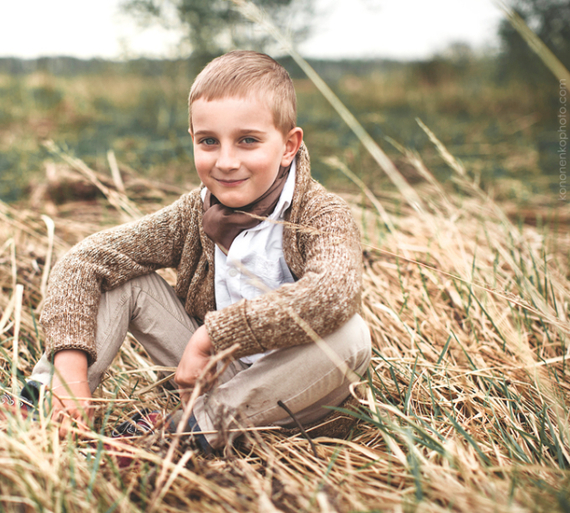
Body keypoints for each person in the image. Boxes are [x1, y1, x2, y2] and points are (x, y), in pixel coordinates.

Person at [29, 50, 371, 451]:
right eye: (209, 141)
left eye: (248, 141)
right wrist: (70, 369)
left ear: (289, 146)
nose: (226, 162)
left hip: (301, 398)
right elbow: (83, 261)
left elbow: (332, 292)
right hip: (210, 381)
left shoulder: (320, 213)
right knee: (124, 281)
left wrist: (214, 336)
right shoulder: (194, 213)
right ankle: (42, 404)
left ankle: (180, 436)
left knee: (351, 334)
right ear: (193, 140)